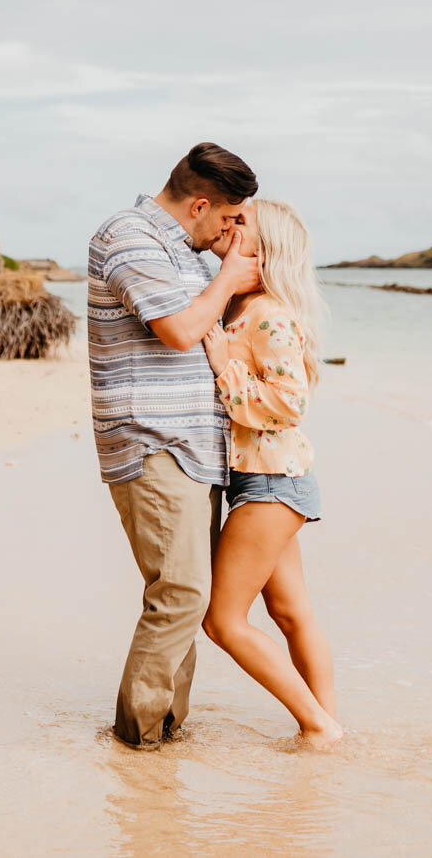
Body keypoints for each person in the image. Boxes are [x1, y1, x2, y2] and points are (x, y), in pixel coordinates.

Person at [88, 142, 262, 747]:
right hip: (152, 443)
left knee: (186, 594)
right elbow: (183, 330)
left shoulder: (186, 251)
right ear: (202, 204)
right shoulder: (129, 237)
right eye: (230, 218)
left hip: (194, 446)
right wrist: (229, 276)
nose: (234, 229)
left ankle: (166, 730)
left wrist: (225, 263)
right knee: (183, 593)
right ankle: (137, 741)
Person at [199, 198, 343, 748]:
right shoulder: (238, 306)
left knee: (223, 622)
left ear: (265, 251)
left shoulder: (270, 315)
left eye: (243, 226)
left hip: (271, 482)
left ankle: (317, 724)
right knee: (288, 612)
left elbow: (289, 403)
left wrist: (225, 368)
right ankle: (329, 729)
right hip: (265, 479)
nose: (230, 229)